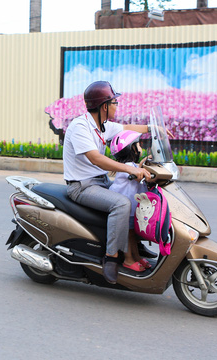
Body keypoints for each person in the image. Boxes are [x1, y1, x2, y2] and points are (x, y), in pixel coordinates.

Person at [62, 81, 152, 284]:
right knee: (121, 203)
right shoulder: (80, 126)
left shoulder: (102, 126)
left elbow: (127, 128)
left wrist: (154, 129)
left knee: (133, 196)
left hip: (100, 182)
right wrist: (131, 168)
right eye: (115, 102)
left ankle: (133, 246)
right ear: (104, 106)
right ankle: (111, 258)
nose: (116, 106)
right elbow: (96, 159)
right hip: (82, 186)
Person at [108, 130, 154, 273]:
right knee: (128, 235)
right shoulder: (127, 169)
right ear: (131, 149)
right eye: (138, 145)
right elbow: (138, 174)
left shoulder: (130, 166)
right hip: (125, 210)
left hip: (132, 209)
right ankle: (128, 259)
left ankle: (136, 256)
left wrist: (144, 162)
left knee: (133, 234)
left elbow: (138, 169)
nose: (140, 147)